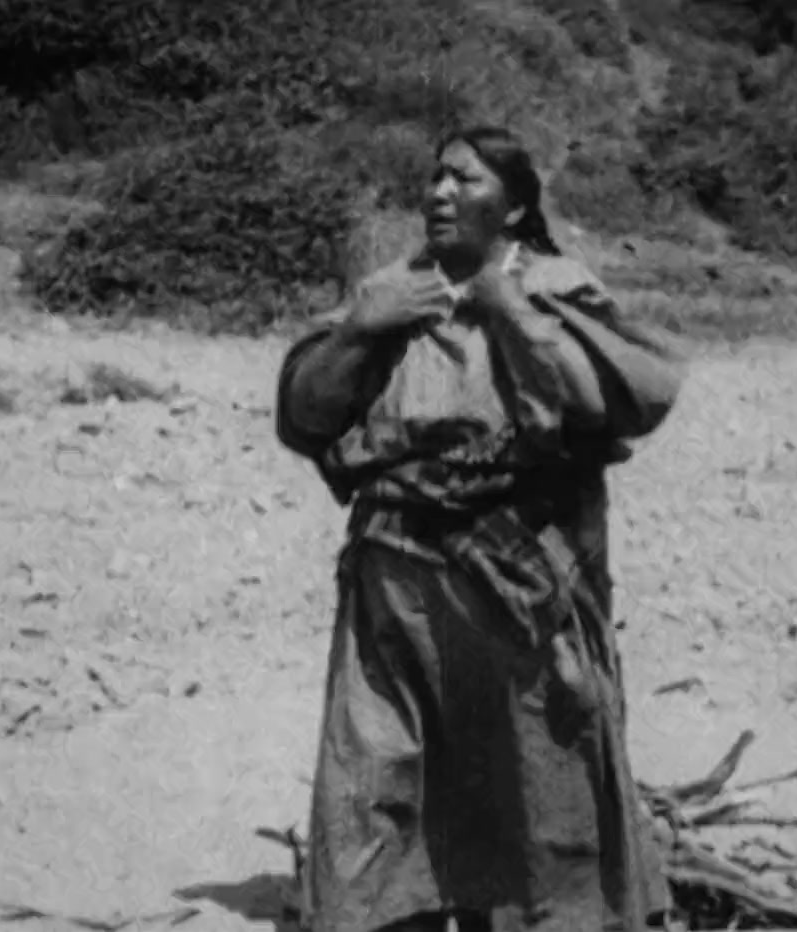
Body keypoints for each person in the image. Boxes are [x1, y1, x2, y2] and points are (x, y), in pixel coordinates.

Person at [275, 126, 685, 932]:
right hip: (395, 581)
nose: (440, 192)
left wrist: (509, 311)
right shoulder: (392, 289)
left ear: (516, 206)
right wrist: (362, 329)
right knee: (380, 761)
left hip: (521, 581)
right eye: (435, 177)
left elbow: (612, 402)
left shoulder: (555, 287)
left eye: (465, 179)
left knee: (540, 764)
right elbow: (306, 414)